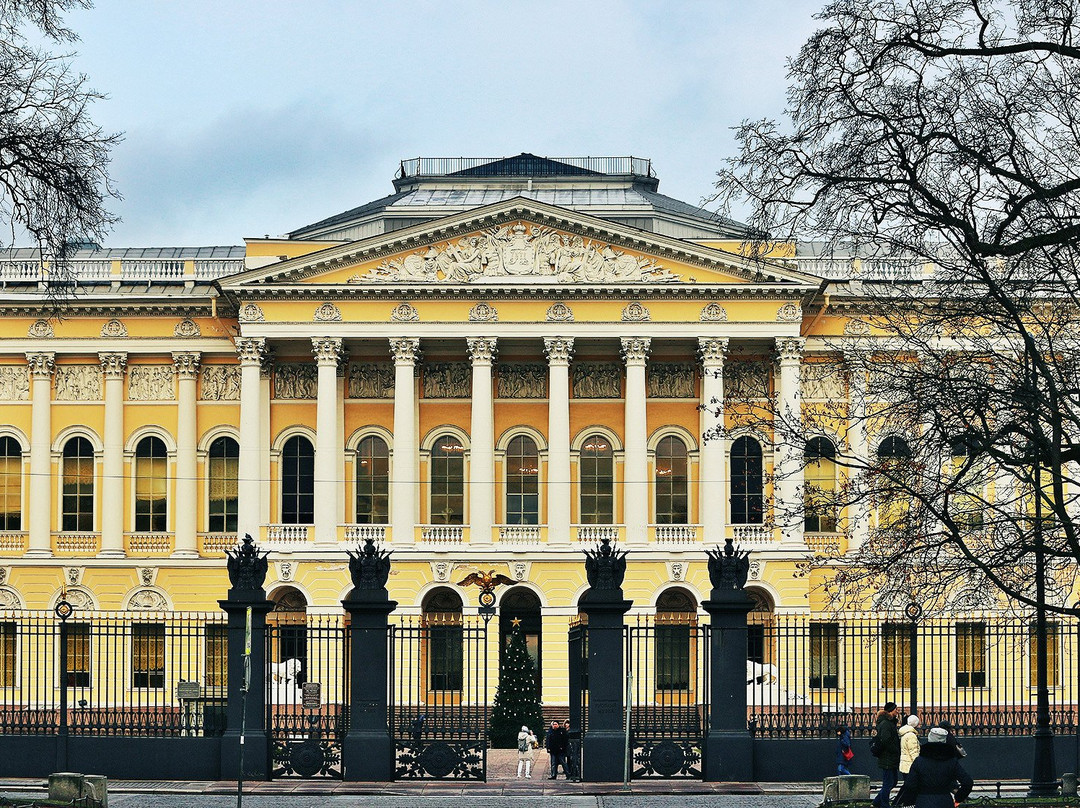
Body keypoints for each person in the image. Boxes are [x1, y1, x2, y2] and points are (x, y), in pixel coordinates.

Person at [901, 726, 973, 807]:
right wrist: (958, 798)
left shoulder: (919, 761)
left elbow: (910, 785)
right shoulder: (951, 761)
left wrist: (913, 800)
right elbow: (968, 782)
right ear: (944, 741)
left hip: (923, 801)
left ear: (929, 739)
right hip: (945, 801)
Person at [872, 701, 901, 808]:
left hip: (891, 757)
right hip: (887, 757)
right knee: (888, 783)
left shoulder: (889, 722)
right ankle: (884, 805)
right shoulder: (886, 724)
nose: (897, 711)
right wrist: (895, 750)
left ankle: (876, 802)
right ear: (890, 711)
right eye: (896, 709)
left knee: (893, 782)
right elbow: (886, 740)